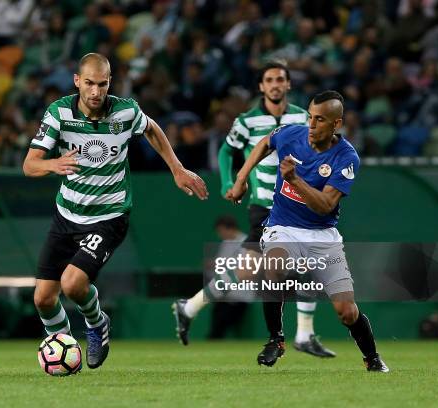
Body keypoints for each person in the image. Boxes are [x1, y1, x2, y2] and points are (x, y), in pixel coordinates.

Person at [23, 53, 208, 369]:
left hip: (109, 216)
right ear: (77, 81)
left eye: (103, 84)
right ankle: (65, 349)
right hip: (67, 215)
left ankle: (96, 323)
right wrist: (52, 163)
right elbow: (29, 164)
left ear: (110, 83)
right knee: (43, 299)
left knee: (73, 284)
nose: (96, 92)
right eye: (90, 84)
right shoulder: (58, 114)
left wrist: (177, 168)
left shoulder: (125, 111)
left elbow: (152, 129)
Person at [173, 61, 335, 358]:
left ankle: (191, 306)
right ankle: (302, 334)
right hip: (265, 206)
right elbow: (226, 150)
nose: (275, 84)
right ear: (261, 87)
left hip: (297, 204)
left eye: (280, 79)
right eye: (269, 80)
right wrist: (229, 180)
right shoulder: (246, 122)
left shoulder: (303, 117)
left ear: (288, 85)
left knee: (258, 269)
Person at [226, 90, 389, 372]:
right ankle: (275, 339)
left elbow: (325, 205)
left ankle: (372, 358)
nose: (312, 125)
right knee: (273, 264)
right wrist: (242, 178)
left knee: (346, 312)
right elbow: (266, 142)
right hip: (283, 226)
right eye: (311, 118)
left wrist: (294, 179)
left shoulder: (346, 157)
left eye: (320, 120)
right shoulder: (292, 134)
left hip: (323, 235)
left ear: (336, 124)